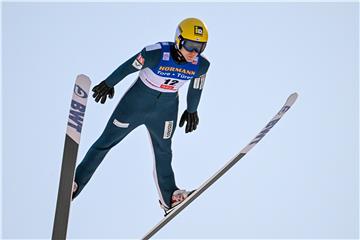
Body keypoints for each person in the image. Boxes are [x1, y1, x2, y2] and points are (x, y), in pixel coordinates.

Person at [72, 18, 210, 214]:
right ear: (179, 40)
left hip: (165, 110)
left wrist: (192, 109)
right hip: (135, 105)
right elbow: (129, 66)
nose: (194, 53)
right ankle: (75, 183)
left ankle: (169, 197)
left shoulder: (200, 65)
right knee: (106, 142)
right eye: (190, 46)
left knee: (164, 152)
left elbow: (197, 87)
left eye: (200, 48)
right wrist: (109, 83)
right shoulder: (156, 53)